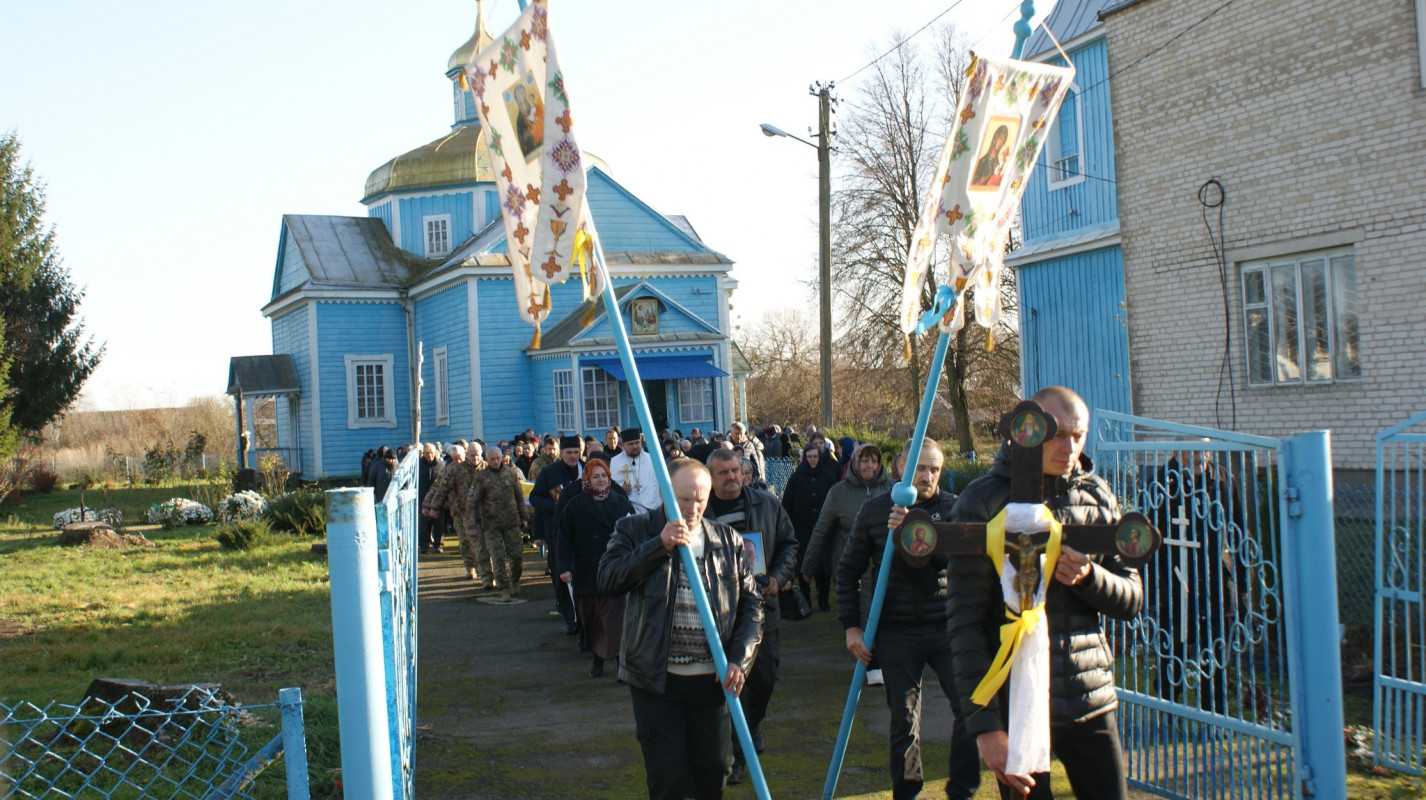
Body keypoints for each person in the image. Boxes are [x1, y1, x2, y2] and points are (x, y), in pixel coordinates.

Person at [948, 386, 1143, 799]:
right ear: (1028, 430)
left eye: (1079, 435)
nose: (1069, 448)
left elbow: (1131, 599)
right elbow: (965, 622)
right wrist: (985, 728)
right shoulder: (983, 501)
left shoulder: (1096, 495)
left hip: (1088, 695)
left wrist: (1090, 578)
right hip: (1018, 701)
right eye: (1057, 434)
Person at [597, 459, 764, 800]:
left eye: (700, 499)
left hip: (712, 680)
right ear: (664, 493)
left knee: (715, 769)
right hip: (657, 680)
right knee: (668, 778)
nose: (693, 508)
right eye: (684, 499)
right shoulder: (634, 529)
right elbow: (608, 579)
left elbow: (752, 605)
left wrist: (740, 660)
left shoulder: (726, 540)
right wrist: (658, 546)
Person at [837, 439, 980, 800]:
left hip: (947, 626)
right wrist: (852, 626)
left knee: (971, 706)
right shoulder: (874, 511)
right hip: (895, 630)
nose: (928, 476)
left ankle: (961, 790)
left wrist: (915, 536)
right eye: (920, 467)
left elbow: (961, 564)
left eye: (934, 469)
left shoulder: (953, 508)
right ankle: (907, 792)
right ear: (900, 468)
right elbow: (848, 570)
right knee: (903, 719)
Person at [704, 448, 797, 784]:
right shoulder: (701, 510)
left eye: (735, 471)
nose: (731, 478)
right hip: (719, 612)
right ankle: (737, 754)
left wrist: (778, 578)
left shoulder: (766, 504)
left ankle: (753, 725)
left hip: (762, 607)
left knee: (763, 679)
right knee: (728, 688)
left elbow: (789, 544)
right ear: (711, 477)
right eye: (723, 473)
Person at [1147, 438, 1245, 713]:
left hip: (1215, 579)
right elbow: (1150, 531)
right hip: (1175, 579)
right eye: (1192, 451)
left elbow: (1237, 526)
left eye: (1203, 450)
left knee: (1214, 648)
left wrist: (1242, 582)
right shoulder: (1162, 482)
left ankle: (1214, 710)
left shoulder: (1223, 478)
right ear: (1177, 453)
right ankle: (1167, 707)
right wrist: (1154, 584)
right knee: (1172, 646)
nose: (1199, 456)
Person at [557, 458, 635, 677]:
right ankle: (597, 658)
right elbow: (563, 538)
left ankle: (621, 662)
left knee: (615, 618)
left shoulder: (620, 503)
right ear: (587, 480)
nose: (600, 480)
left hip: (616, 570)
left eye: (604, 476)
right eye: (595, 476)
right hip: (586, 571)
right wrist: (564, 567)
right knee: (591, 618)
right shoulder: (575, 506)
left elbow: (634, 532)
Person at [803, 443, 890, 613]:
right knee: (858, 620)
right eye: (865, 461)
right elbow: (821, 531)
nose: (870, 466)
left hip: (883, 568)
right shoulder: (838, 493)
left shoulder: (891, 489)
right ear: (855, 462)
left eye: (874, 461)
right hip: (851, 569)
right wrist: (809, 566)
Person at [532, 436, 585, 632]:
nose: (573, 456)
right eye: (568, 453)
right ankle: (569, 617)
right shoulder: (548, 473)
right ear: (561, 453)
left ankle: (582, 617)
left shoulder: (586, 470)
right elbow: (535, 498)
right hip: (557, 531)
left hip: (582, 533)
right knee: (560, 574)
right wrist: (555, 506)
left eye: (576, 452)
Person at [422, 444, 493, 586]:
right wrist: (429, 506)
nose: (457, 462)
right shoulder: (451, 470)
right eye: (455, 459)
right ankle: (471, 567)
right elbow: (438, 488)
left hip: (483, 513)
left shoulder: (486, 468)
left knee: (482, 545)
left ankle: (486, 576)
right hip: (461, 512)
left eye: (459, 459)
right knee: (466, 541)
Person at [467, 446, 531, 603]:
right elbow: (472, 502)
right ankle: (504, 588)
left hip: (511, 522)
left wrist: (524, 518)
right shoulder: (481, 477)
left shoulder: (511, 473)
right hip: (491, 524)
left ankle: (515, 579)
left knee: (516, 555)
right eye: (492, 459)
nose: (496, 462)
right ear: (487, 460)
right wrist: (472, 525)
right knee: (498, 557)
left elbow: (519, 498)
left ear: (502, 457)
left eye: (498, 458)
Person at [782, 443, 837, 611]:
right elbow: (787, 504)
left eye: (815, 457)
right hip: (801, 529)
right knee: (802, 567)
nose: (812, 460)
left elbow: (834, 501)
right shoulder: (796, 478)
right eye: (809, 457)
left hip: (823, 529)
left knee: (824, 569)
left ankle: (823, 601)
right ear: (804, 458)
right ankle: (805, 601)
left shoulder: (827, 477)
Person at [611, 428, 662, 514]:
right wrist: (621, 489)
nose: (635, 446)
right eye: (631, 444)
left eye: (637, 443)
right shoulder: (615, 461)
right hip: (629, 509)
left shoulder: (651, 459)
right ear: (623, 445)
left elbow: (657, 483)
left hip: (652, 508)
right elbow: (612, 485)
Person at [418, 443, 445, 554]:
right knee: (423, 524)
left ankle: (438, 545)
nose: (430, 455)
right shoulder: (418, 465)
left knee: (439, 523)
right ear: (423, 453)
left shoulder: (441, 465)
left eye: (432, 453)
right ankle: (424, 545)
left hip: (438, 498)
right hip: (422, 498)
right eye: (427, 453)